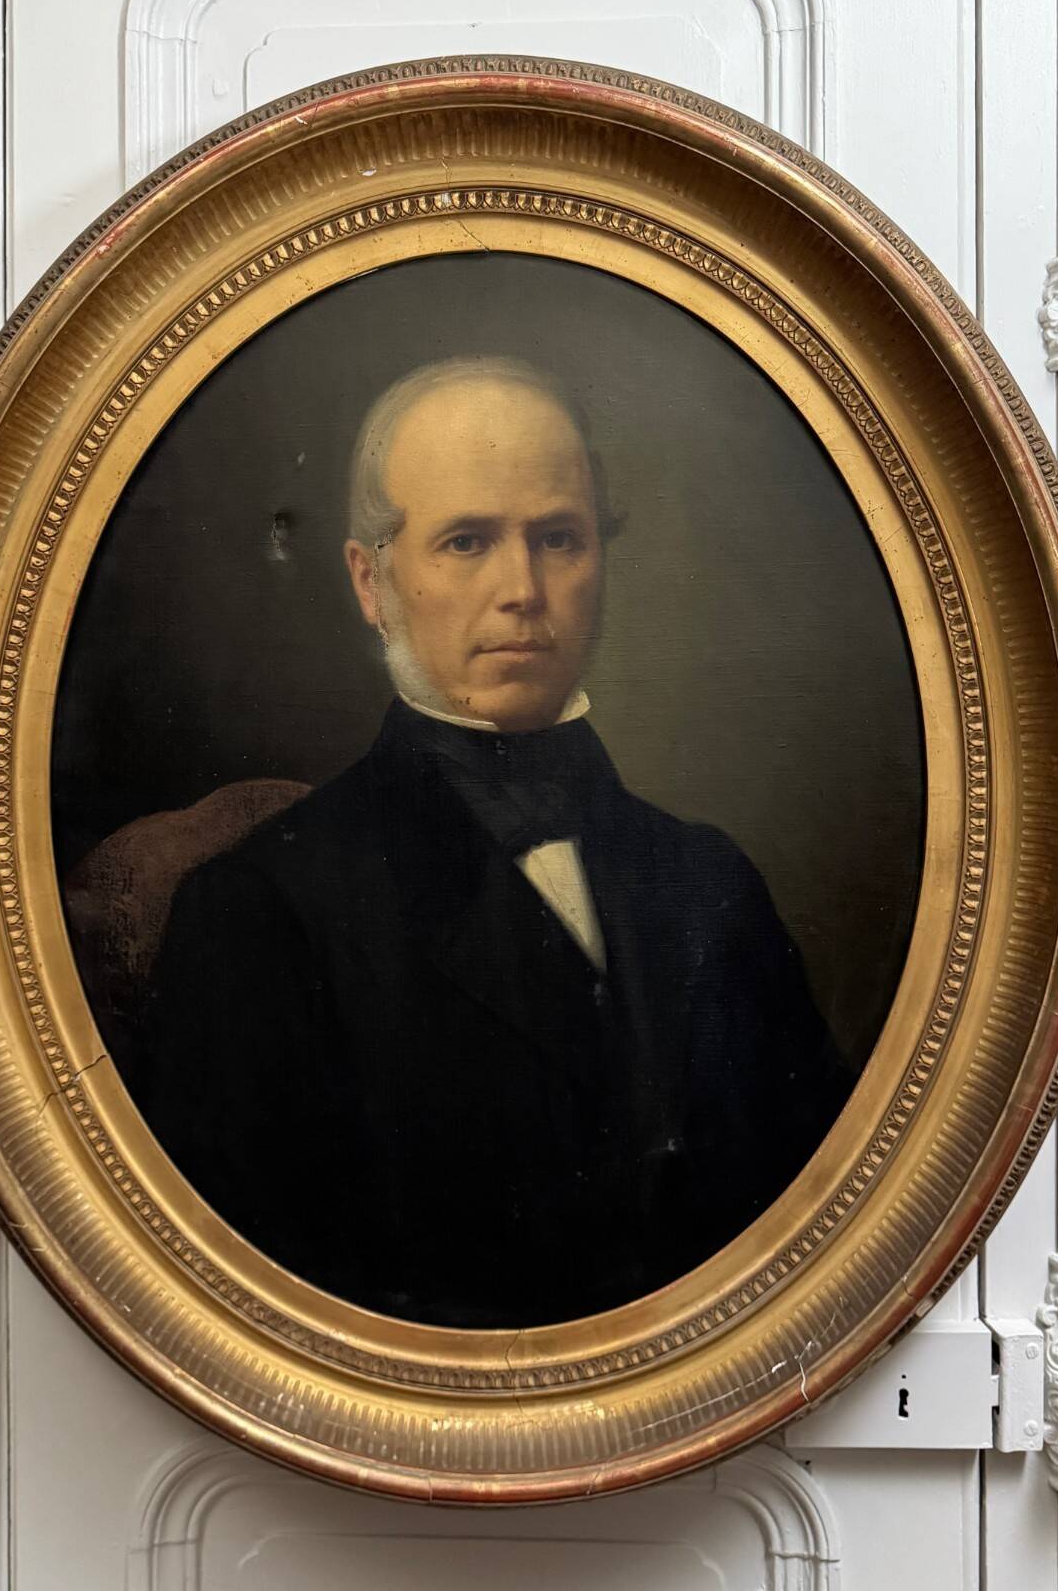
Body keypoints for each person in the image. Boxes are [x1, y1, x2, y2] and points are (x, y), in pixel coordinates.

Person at [132, 357, 851, 1329]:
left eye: (557, 538)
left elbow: (818, 1233)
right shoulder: (261, 911)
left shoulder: (709, 881)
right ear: (370, 580)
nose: (522, 588)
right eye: (466, 541)